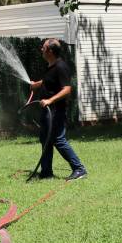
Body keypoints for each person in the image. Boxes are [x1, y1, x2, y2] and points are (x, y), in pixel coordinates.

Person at [28, 38, 88, 181]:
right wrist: (37, 85)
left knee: (58, 139)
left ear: (50, 51)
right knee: (45, 139)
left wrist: (50, 100)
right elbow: (49, 81)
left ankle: (79, 169)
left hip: (56, 111)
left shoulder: (61, 67)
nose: (41, 50)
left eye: (43, 48)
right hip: (48, 111)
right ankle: (46, 172)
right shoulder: (51, 67)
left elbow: (67, 89)